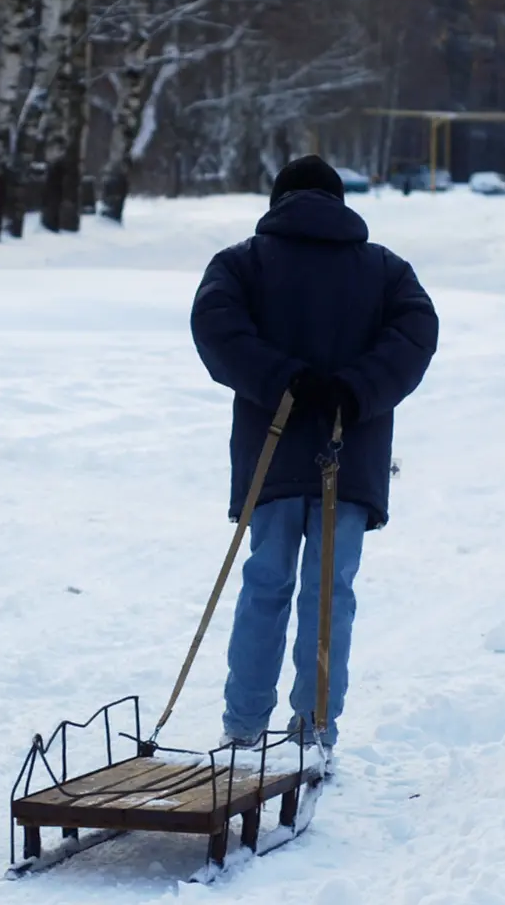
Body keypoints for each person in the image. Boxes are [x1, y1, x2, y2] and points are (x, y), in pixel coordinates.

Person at [190, 155, 438, 751]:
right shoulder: (385, 270)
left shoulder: (241, 264)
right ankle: (313, 730)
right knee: (331, 593)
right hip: (347, 458)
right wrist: (356, 389)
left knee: (265, 583)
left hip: (270, 456)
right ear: (339, 203)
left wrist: (281, 378)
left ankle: (243, 727)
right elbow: (416, 334)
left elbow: (214, 325)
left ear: (279, 203)